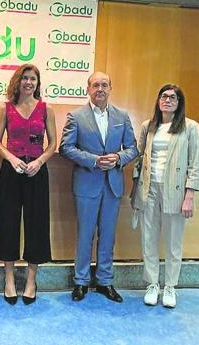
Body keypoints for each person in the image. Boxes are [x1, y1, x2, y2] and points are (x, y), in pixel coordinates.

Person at [59, 71, 137, 303]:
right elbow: (66, 148)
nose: (100, 89)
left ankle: (105, 281)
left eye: (104, 85)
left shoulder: (122, 116)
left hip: (113, 184)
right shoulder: (76, 116)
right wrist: (93, 160)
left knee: (108, 236)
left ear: (111, 88)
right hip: (87, 183)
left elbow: (133, 148)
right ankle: (81, 281)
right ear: (88, 89)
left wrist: (119, 158)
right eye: (95, 85)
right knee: (85, 234)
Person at [0, 64, 56, 305]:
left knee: (36, 223)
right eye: (25, 78)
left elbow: (53, 144)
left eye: (33, 79)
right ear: (17, 81)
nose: (29, 83)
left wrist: (39, 161)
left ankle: (30, 280)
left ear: (38, 83)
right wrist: (12, 158)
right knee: (7, 223)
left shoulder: (45, 109)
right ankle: (8, 278)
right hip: (11, 170)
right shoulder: (5, 109)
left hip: (37, 172)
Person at [131, 84, 199, 308]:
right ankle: (152, 284)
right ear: (158, 100)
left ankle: (170, 286)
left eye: (173, 97)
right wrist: (135, 185)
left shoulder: (190, 127)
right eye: (164, 96)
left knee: (173, 242)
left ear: (179, 102)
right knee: (148, 239)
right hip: (148, 188)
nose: (167, 100)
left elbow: (195, 163)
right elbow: (139, 156)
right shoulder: (148, 126)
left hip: (176, 191)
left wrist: (189, 195)